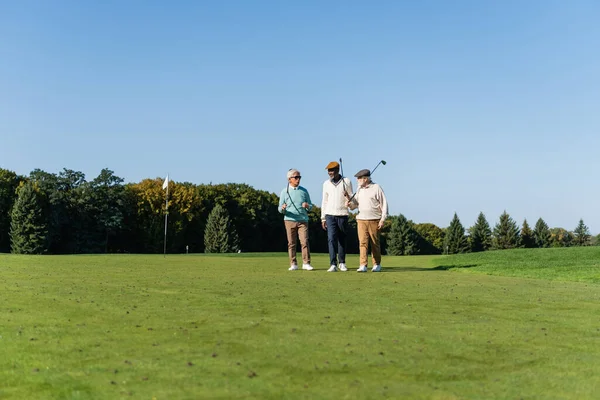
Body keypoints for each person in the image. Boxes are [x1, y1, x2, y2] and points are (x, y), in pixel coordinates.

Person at [346, 169, 388, 272]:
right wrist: (350, 204)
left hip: (374, 219)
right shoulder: (359, 189)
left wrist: (383, 219)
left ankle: (377, 264)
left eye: (359, 178)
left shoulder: (376, 188)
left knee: (374, 243)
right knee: (362, 243)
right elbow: (355, 204)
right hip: (361, 219)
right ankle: (363, 265)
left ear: (365, 179)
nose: (357, 180)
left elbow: (384, 204)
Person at [278, 169, 314, 271]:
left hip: (303, 220)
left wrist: (307, 206)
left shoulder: (304, 191)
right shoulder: (284, 192)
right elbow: (279, 208)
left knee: (304, 241)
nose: (298, 179)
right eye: (296, 177)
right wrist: (283, 208)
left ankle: (306, 263)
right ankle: (293, 263)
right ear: (289, 179)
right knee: (291, 243)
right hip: (289, 220)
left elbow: (311, 206)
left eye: (299, 177)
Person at [321, 161, 353, 272]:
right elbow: (324, 201)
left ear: (337, 170)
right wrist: (323, 217)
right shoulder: (326, 184)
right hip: (330, 215)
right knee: (331, 239)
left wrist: (348, 196)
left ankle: (342, 262)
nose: (330, 173)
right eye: (329, 171)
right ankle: (333, 264)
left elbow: (352, 200)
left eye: (332, 170)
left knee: (342, 239)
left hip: (343, 214)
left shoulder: (347, 181)